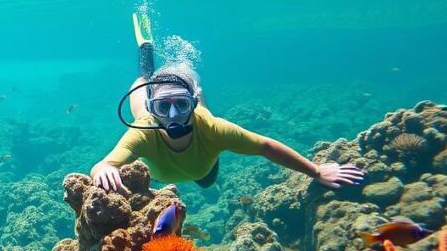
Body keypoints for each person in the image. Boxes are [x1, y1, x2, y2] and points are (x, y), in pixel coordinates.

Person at [90, 15, 364, 192]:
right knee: (141, 83)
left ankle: (190, 88)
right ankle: (146, 49)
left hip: (203, 164)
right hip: (159, 173)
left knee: (207, 180)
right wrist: (104, 169)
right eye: (163, 107)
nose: (173, 115)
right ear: (153, 109)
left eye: (182, 106)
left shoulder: (213, 129)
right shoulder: (143, 129)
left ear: (191, 105)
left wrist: (317, 171)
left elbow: (265, 146)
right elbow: (103, 165)